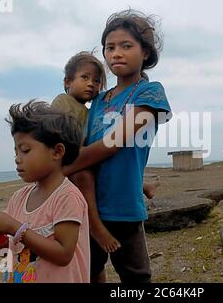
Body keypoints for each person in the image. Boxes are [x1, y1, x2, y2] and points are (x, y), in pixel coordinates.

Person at [63, 9, 171, 283]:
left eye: (126, 46)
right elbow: (86, 144)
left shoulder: (150, 92)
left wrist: (60, 169)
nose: (116, 53)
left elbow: (114, 143)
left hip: (124, 205)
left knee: (135, 275)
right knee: (91, 269)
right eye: (110, 48)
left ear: (145, 52)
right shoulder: (99, 100)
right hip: (89, 206)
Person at [0, 100, 90, 283]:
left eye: (25, 150)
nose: (17, 159)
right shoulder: (18, 198)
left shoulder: (67, 197)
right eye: (16, 152)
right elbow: (12, 249)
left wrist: (14, 227)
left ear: (57, 152)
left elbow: (63, 254)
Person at [52, 51, 158, 254]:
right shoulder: (63, 102)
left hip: (85, 154)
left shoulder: (90, 109)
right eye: (85, 78)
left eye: (97, 81)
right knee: (85, 176)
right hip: (70, 158)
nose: (91, 84)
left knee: (102, 166)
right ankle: (96, 227)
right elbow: (58, 132)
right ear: (67, 82)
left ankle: (143, 185)